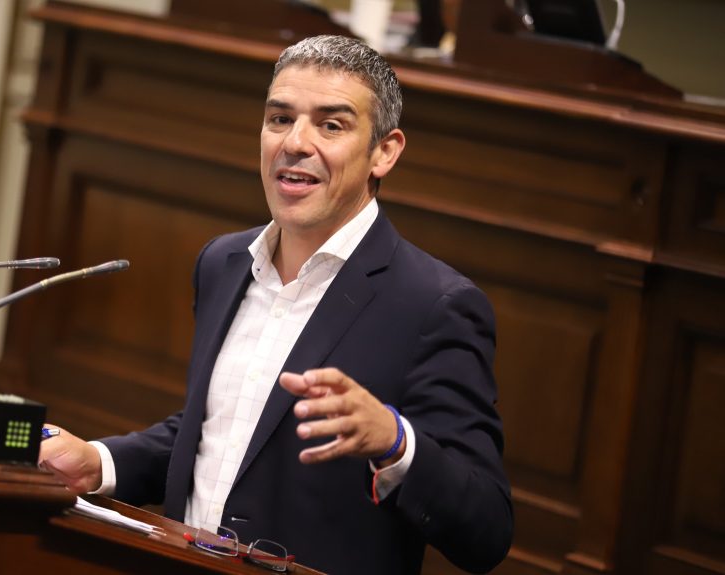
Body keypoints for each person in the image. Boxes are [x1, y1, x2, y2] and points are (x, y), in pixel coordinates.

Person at [39, 34, 513, 574]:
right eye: (280, 119)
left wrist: (395, 442)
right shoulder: (223, 262)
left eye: (331, 125)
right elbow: (224, 434)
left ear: (385, 151)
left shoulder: (436, 305)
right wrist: (97, 462)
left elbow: (487, 529)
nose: (295, 142)